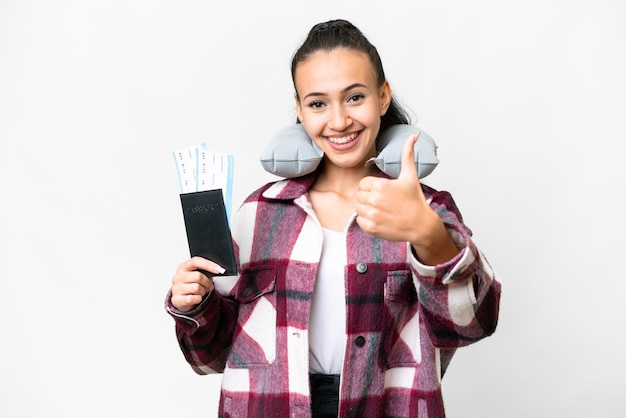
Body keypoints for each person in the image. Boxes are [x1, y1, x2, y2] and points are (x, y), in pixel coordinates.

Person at [166, 19, 501, 418]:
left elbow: (472, 325)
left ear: (382, 97)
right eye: (318, 103)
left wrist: (428, 235)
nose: (339, 121)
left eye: (355, 97)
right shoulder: (259, 214)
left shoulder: (424, 208)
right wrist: (196, 305)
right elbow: (211, 359)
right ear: (301, 111)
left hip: (386, 406)